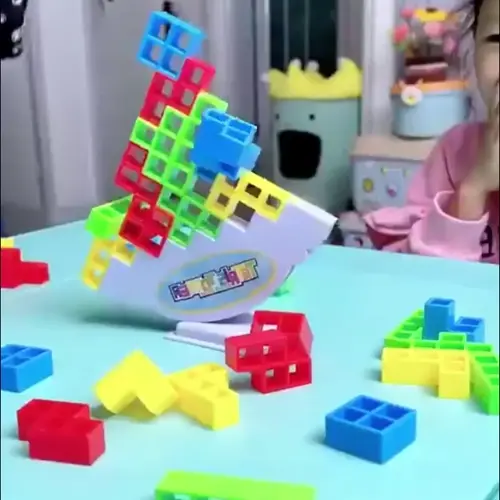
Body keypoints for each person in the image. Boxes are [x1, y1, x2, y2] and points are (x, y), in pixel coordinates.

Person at [364, 0, 499, 263]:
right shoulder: (455, 150)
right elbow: (413, 271)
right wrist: (472, 190)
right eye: (497, 38)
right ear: (475, 46)